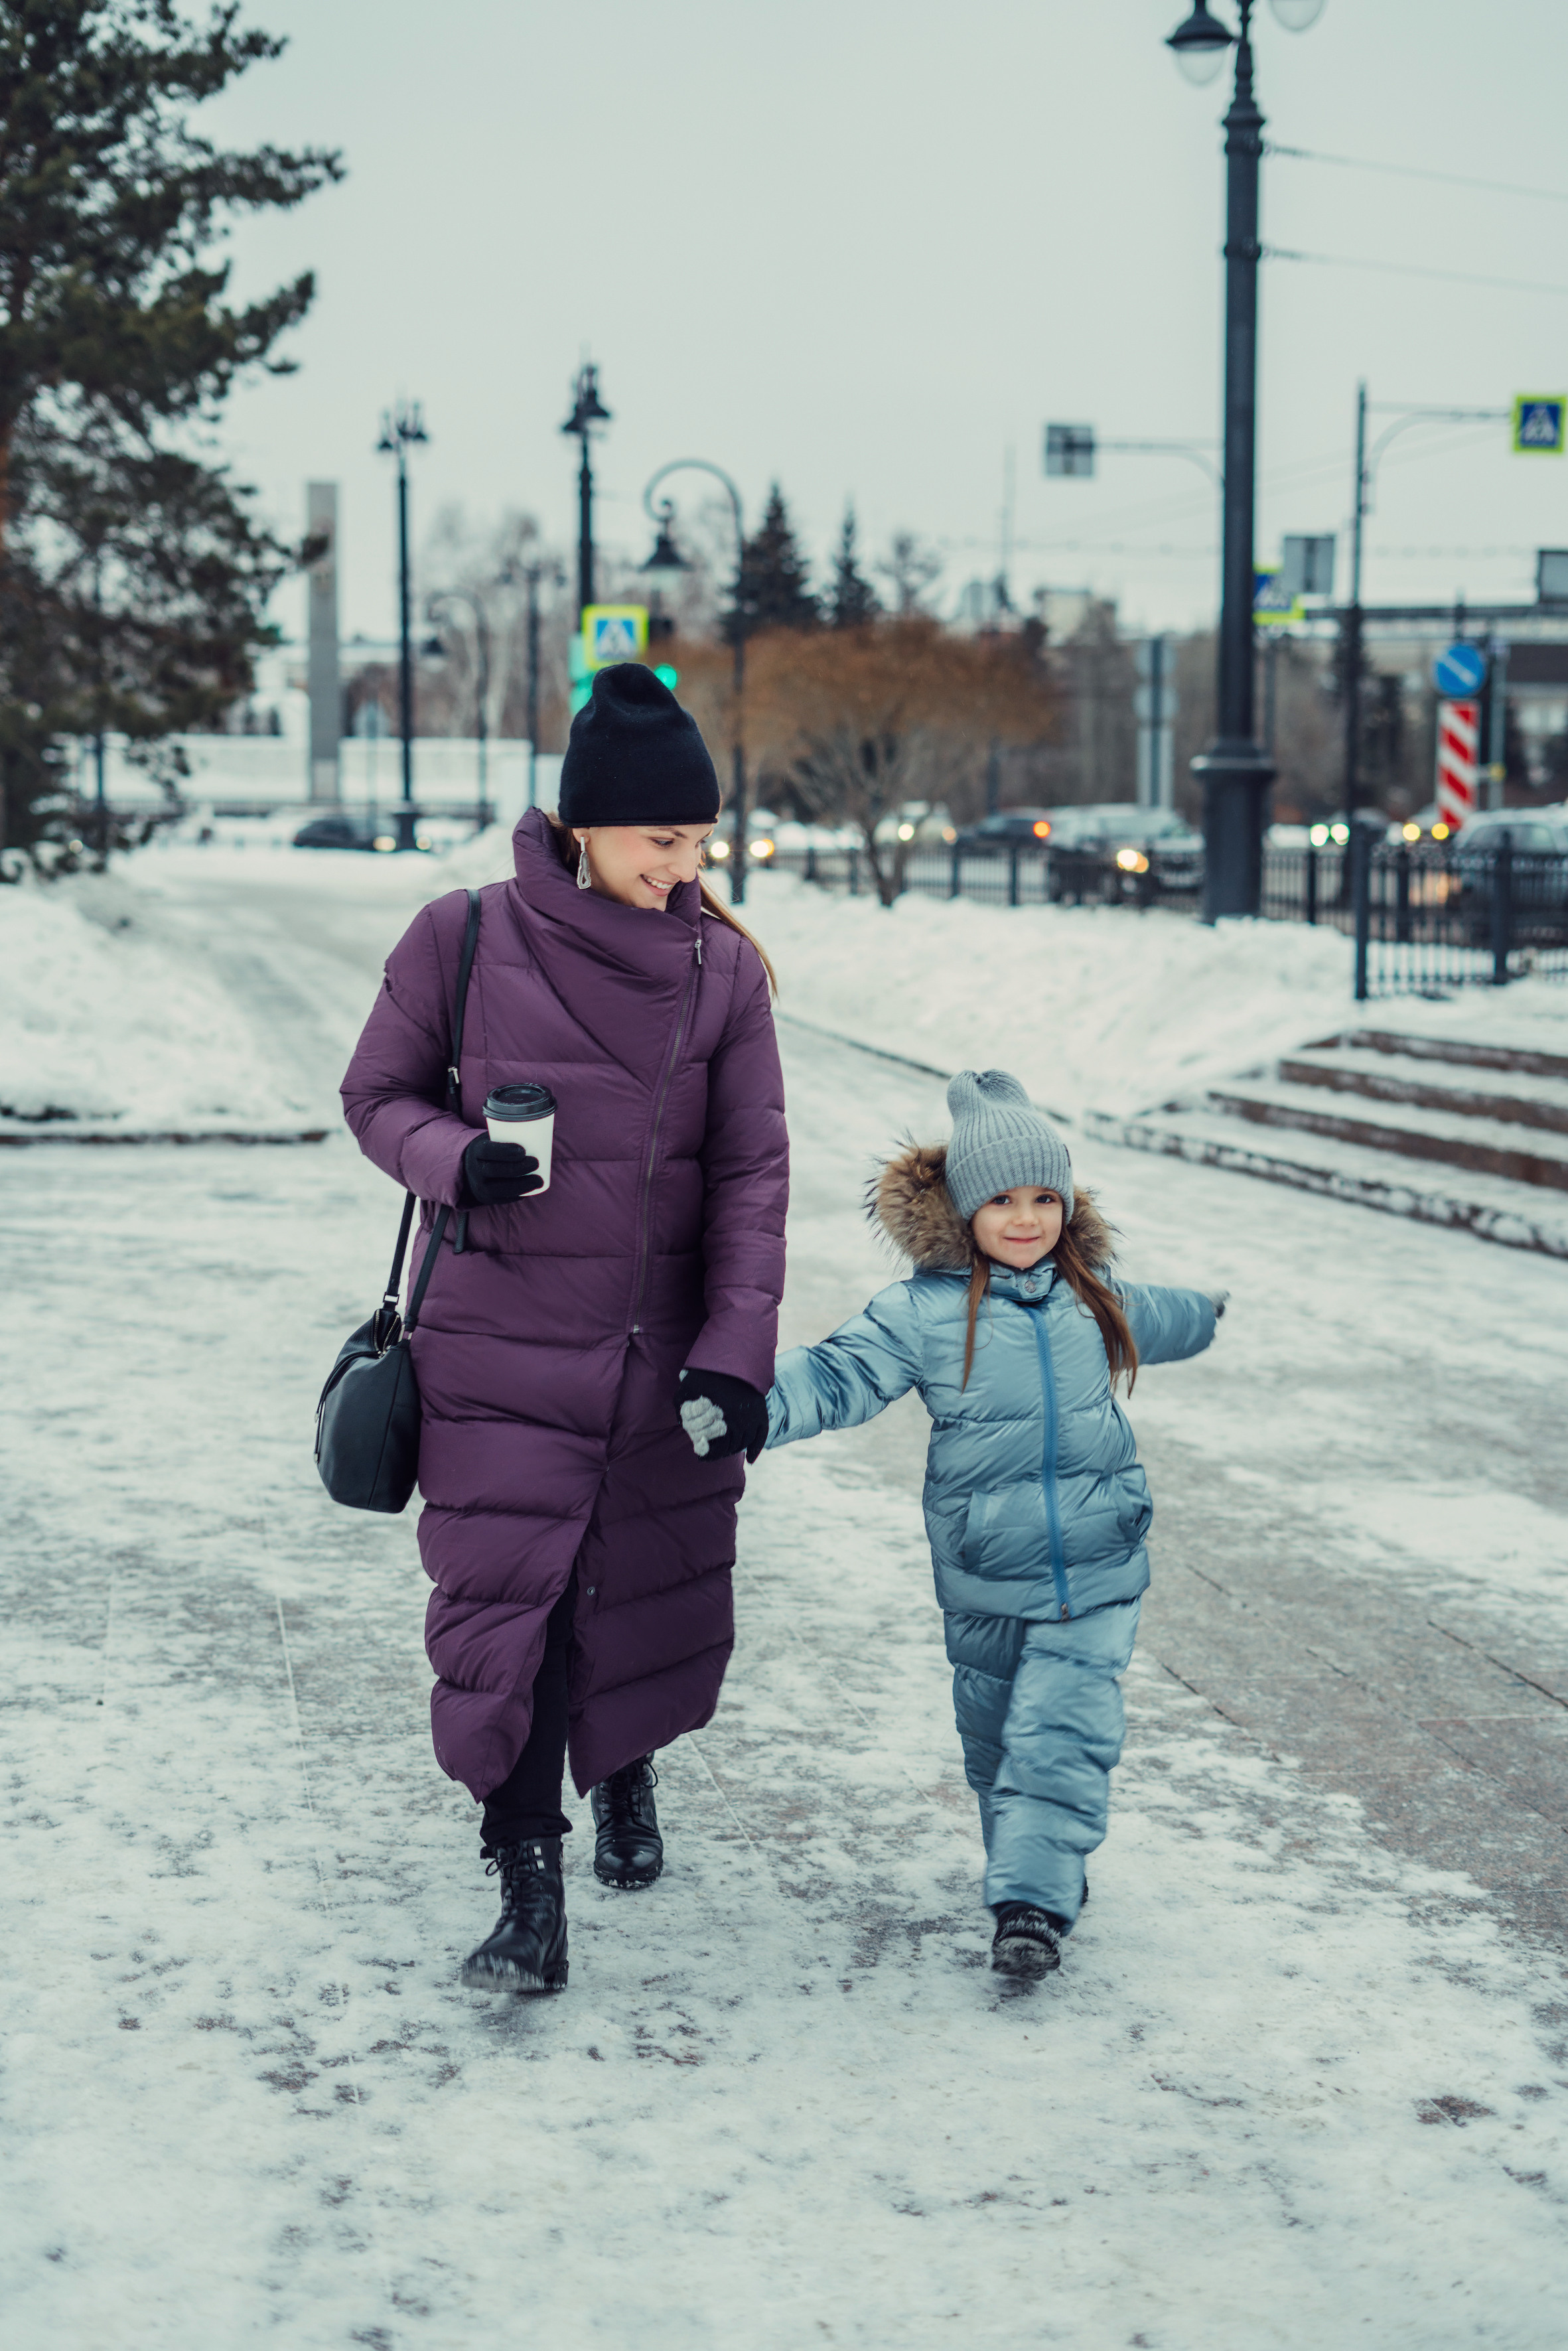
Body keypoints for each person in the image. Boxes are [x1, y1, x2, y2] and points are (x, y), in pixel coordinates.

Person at [341, 664, 788, 1994]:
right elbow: (375, 1095)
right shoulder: (462, 935)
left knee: (634, 1583)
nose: (686, 866)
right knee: (511, 1609)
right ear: (585, 824)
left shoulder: (723, 971)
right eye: (663, 839)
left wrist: (736, 1349)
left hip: (658, 1348)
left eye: (701, 841)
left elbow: (753, 1178)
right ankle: (527, 1888)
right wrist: (454, 1157)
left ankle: (625, 1771)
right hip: (496, 1345)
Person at [758, 1069, 1222, 1977]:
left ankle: (1031, 1902)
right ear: (964, 1208)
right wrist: (750, 1408)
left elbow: (1159, 1314)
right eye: (1003, 1199)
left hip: (1099, 1563)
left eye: (1046, 1198)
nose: (1026, 1218)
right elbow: (838, 1373)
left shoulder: (1091, 1294)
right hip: (985, 1571)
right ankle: (1028, 1859)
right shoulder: (922, 1313)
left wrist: (1205, 1314)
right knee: (996, 1737)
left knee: (1060, 1728)